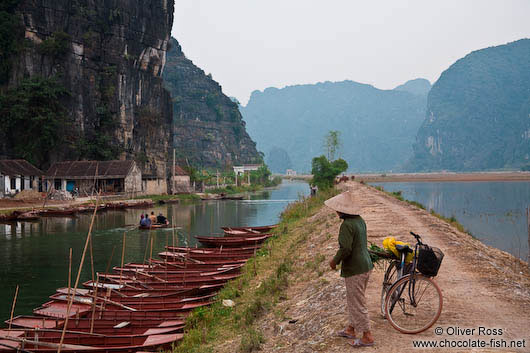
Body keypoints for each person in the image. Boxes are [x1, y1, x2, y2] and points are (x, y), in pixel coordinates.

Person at [325, 191, 375, 348]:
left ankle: (367, 336)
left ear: (343, 210)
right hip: (365, 265)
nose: (336, 211)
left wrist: (334, 261)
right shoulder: (360, 221)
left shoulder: (346, 225)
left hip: (356, 268)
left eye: (338, 209)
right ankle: (351, 329)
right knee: (354, 299)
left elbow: (346, 249)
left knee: (357, 302)